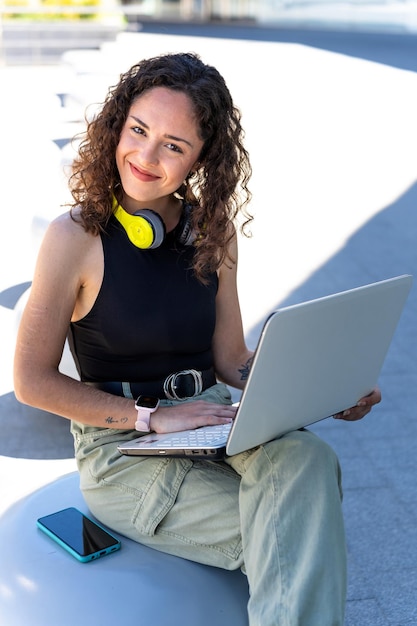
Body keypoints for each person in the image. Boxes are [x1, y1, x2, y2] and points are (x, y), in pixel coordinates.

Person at [14, 52, 380, 625]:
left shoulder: (213, 231)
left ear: (202, 157)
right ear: (117, 125)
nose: (146, 155)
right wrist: (150, 418)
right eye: (138, 130)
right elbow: (31, 381)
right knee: (301, 527)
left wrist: (325, 388)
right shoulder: (75, 237)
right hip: (124, 449)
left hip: (215, 420)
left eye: (174, 145)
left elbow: (233, 362)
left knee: (308, 455)